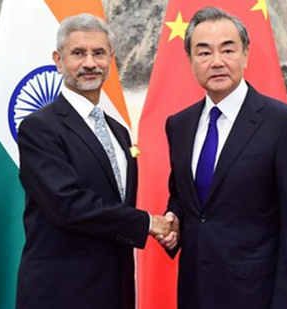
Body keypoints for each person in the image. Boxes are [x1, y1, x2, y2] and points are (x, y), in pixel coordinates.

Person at [159, 7, 287, 309]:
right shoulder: (179, 125)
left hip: (256, 295)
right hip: (194, 291)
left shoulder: (283, 124)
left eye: (227, 50)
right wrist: (173, 217)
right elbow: (182, 196)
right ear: (190, 60)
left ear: (245, 54)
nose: (216, 62)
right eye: (203, 53)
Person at [16, 13, 172, 309]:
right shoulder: (40, 128)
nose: (90, 63)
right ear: (58, 60)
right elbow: (67, 205)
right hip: (61, 294)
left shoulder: (119, 131)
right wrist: (149, 223)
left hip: (116, 290)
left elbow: (117, 206)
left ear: (111, 59)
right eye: (78, 53)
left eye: (99, 53)